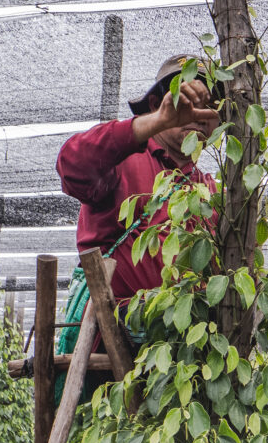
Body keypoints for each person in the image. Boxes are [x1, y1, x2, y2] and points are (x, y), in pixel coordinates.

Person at [57, 55, 220, 302]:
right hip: (115, 322)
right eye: (187, 101)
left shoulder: (210, 191)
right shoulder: (123, 161)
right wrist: (157, 122)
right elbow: (71, 164)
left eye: (210, 104)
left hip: (189, 324)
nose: (198, 114)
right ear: (155, 104)